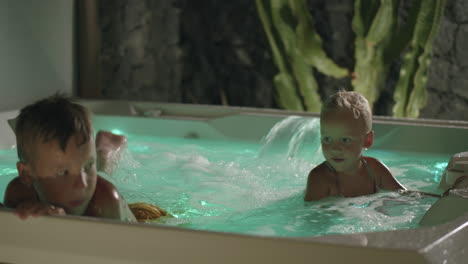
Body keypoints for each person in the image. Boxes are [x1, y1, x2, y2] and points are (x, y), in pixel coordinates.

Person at [3, 94, 138, 221]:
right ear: (27, 174)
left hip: (137, 214)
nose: (82, 185)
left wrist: (64, 223)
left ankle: (108, 150)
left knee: (103, 171)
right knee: (97, 168)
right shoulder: (18, 196)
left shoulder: (106, 202)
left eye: (88, 165)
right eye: (63, 172)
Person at [304, 91, 405, 201]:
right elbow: (312, 216)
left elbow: (406, 196)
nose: (335, 148)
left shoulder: (375, 170)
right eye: (327, 139)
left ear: (367, 140)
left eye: (345, 140)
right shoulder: (320, 179)